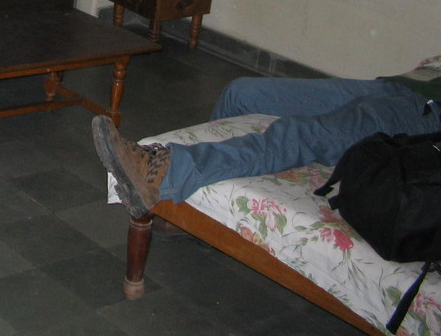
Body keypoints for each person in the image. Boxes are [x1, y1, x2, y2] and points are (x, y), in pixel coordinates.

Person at [93, 56, 441, 218]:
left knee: (308, 133)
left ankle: (167, 175)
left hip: (426, 112)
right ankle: (201, 205)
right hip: (402, 85)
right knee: (242, 92)